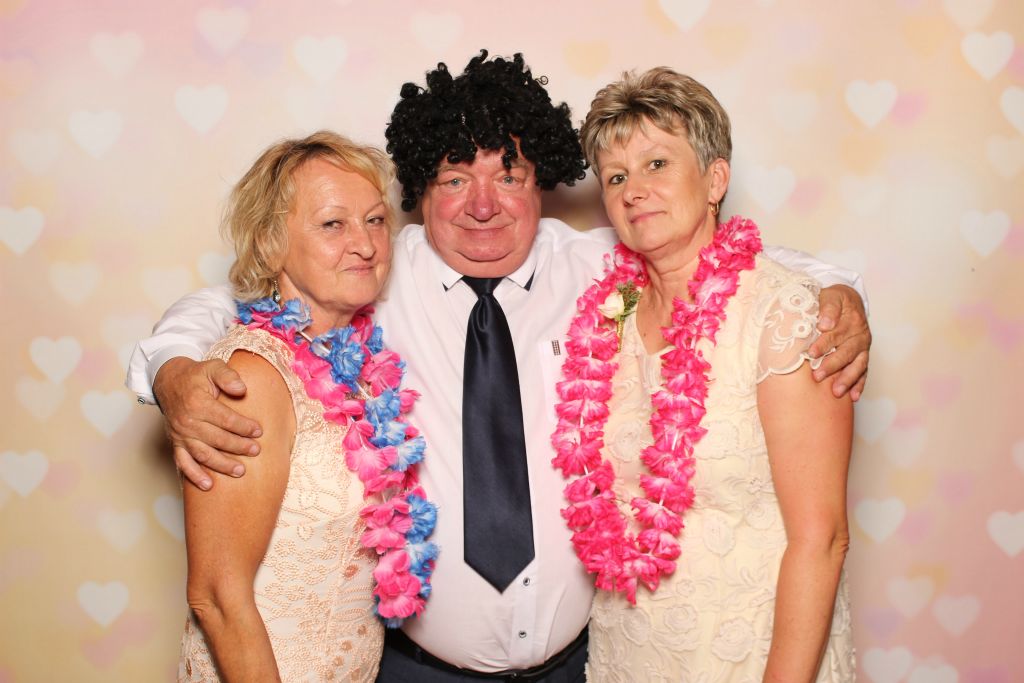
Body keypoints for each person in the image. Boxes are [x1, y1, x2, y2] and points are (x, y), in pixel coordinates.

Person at [128, 52, 870, 681]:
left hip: (581, 663)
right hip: (415, 667)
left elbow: (727, 263)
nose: (482, 205)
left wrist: (841, 293)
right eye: (455, 178)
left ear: (541, 182)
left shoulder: (598, 266)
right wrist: (172, 371)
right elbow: (234, 297)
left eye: (509, 175)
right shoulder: (372, 268)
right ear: (421, 189)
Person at [554, 67, 854, 681]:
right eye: (616, 177)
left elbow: (822, 540)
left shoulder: (782, 315)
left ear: (715, 179)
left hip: (754, 653)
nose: (633, 191)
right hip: (629, 655)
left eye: (657, 164)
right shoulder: (605, 318)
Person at [175, 130, 436, 682]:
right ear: (271, 244)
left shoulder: (358, 367)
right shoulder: (252, 375)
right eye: (333, 224)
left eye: (375, 220)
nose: (365, 244)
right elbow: (216, 595)